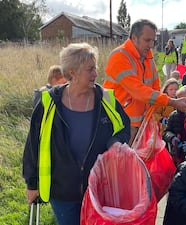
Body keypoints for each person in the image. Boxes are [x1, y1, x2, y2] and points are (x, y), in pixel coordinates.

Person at [23, 42, 131, 225]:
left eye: (95, 68)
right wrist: (32, 184)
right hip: (63, 192)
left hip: (101, 189)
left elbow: (124, 128)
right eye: (90, 69)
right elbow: (34, 144)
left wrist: (114, 141)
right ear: (72, 72)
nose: (96, 74)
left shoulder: (106, 99)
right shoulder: (49, 104)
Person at [103, 19, 186, 145]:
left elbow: (154, 86)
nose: (151, 45)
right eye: (147, 40)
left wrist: (157, 115)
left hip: (142, 123)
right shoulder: (120, 56)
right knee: (122, 163)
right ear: (134, 38)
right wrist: (172, 102)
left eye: (153, 40)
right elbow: (138, 91)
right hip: (120, 126)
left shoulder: (147, 56)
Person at [162, 84, 186, 166]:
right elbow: (166, 132)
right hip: (177, 152)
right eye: (178, 99)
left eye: (184, 100)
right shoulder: (174, 115)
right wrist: (172, 137)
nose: (180, 102)